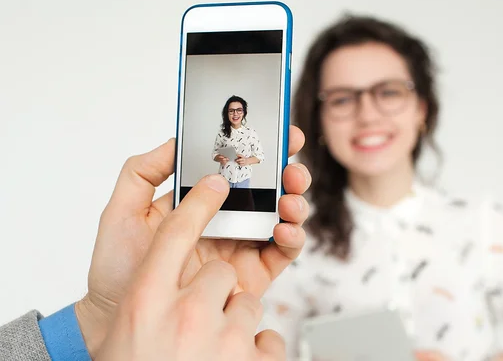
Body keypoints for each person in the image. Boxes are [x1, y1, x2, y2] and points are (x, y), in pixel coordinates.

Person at [260, 16, 503, 361]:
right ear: (318, 120)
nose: (367, 115)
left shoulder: (482, 224)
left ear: (421, 109)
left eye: (389, 92)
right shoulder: (292, 243)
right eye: (342, 99)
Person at [0, 126, 311, 360]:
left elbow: (259, 156)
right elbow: (215, 154)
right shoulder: (219, 134)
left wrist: (103, 319)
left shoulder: (253, 134)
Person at [213, 95, 265, 188]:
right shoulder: (222, 133)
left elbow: (260, 156)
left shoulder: (251, 133)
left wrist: (247, 161)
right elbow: (214, 154)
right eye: (231, 111)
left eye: (239, 110)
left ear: (244, 113)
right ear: (227, 113)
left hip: (243, 179)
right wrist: (220, 158)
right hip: (224, 178)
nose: (235, 114)